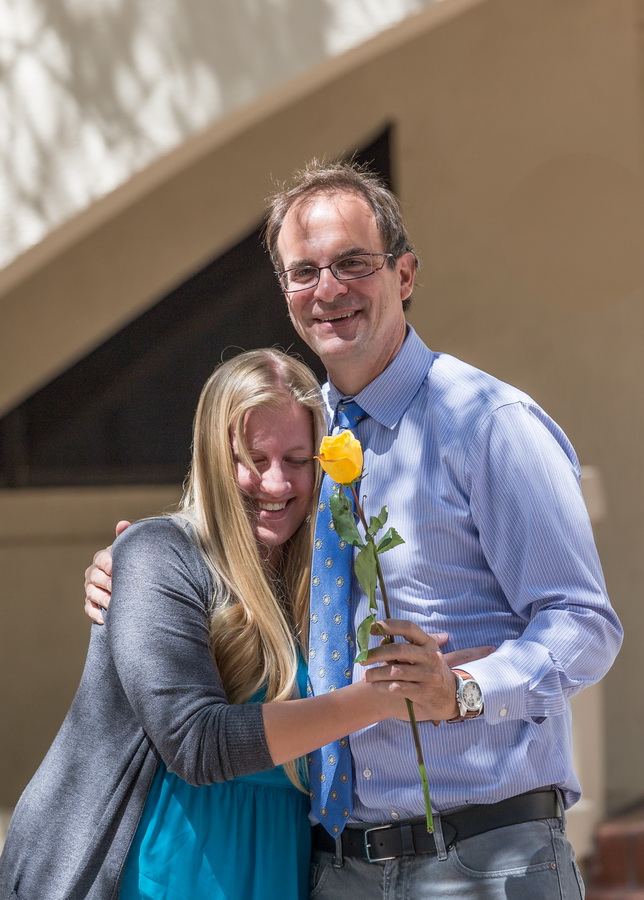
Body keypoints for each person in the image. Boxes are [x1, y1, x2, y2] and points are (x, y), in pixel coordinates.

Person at [83, 161, 623, 899]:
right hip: (337, 868)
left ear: (404, 275)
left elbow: (584, 624)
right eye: (303, 271)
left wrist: (462, 691)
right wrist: (141, 575)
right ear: (284, 291)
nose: (328, 290)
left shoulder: (488, 426)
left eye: (352, 264)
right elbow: (247, 558)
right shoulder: (305, 438)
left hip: (481, 853)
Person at [1, 348, 456, 900]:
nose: (277, 483)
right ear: (215, 458)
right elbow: (196, 743)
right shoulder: (158, 555)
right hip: (164, 866)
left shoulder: (329, 581)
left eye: (297, 459)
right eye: (254, 459)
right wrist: (381, 698)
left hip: (277, 864)